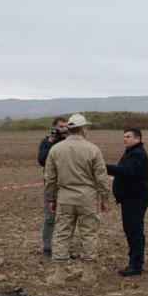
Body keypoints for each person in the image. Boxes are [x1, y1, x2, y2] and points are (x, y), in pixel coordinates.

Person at [43, 113, 109, 285]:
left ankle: (59, 275)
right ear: (83, 129)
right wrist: (104, 198)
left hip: (65, 197)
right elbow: (101, 178)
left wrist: (51, 198)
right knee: (89, 235)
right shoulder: (93, 149)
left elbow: (49, 178)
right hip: (88, 198)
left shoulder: (56, 149)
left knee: (62, 234)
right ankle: (88, 274)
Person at [106, 128, 148, 277]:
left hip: (135, 199)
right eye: (124, 136)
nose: (125, 139)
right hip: (129, 199)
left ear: (137, 138)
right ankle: (134, 262)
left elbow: (126, 171)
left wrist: (103, 167)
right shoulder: (132, 152)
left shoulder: (137, 154)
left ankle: (136, 265)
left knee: (134, 232)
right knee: (130, 230)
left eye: (128, 136)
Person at [37, 117, 71, 259]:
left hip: (67, 185)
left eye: (65, 127)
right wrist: (51, 144)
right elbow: (42, 160)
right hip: (51, 185)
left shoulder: (69, 141)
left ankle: (65, 249)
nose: (63, 129)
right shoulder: (46, 142)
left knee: (67, 219)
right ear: (54, 127)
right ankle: (47, 249)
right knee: (50, 218)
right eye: (60, 127)